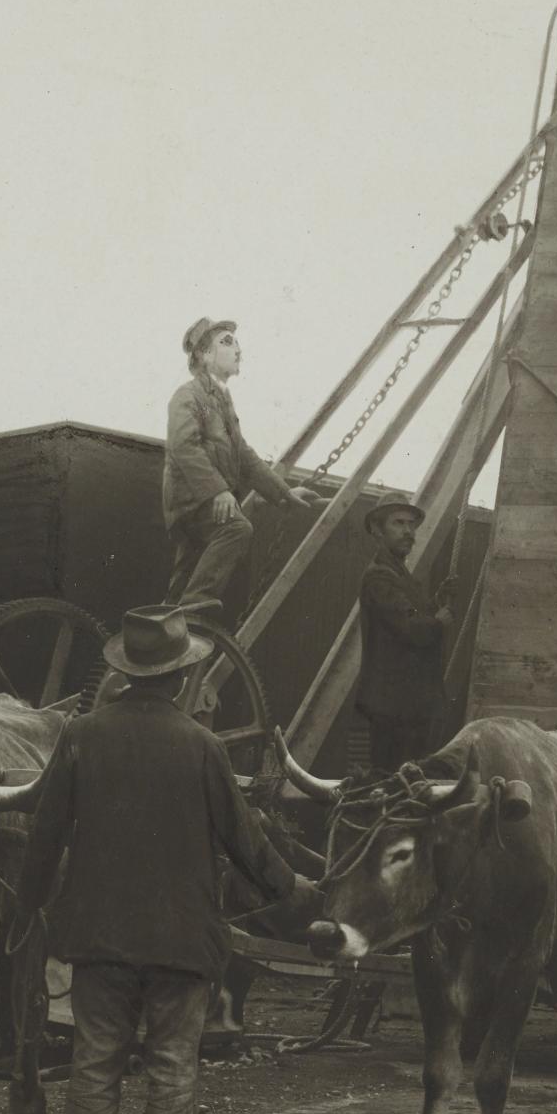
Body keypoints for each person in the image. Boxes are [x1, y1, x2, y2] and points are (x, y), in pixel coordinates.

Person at [15, 604, 315, 1114]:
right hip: (182, 944)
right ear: (182, 678)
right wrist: (297, 892)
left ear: (125, 674)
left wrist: (27, 908)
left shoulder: (79, 737)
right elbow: (247, 843)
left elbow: (44, 840)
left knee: (93, 1068)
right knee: (173, 1069)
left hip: (98, 939)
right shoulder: (203, 746)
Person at [162, 318, 324, 617]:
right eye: (226, 342)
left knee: (183, 577)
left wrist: (285, 493)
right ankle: (192, 610)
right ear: (203, 355)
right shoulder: (189, 396)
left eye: (236, 342)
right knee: (237, 528)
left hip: (205, 504)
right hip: (192, 503)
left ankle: (162, 632)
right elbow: (184, 447)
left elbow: (245, 457)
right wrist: (217, 492)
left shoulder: (222, 402)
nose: (237, 349)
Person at [349, 498, 458, 774]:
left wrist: (436, 600)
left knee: (405, 781)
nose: (408, 531)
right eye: (399, 523)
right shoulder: (380, 577)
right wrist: (438, 623)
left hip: (406, 704)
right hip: (393, 707)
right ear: (377, 529)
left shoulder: (399, 574)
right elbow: (410, 628)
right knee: (392, 781)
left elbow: (409, 613)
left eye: (411, 525)